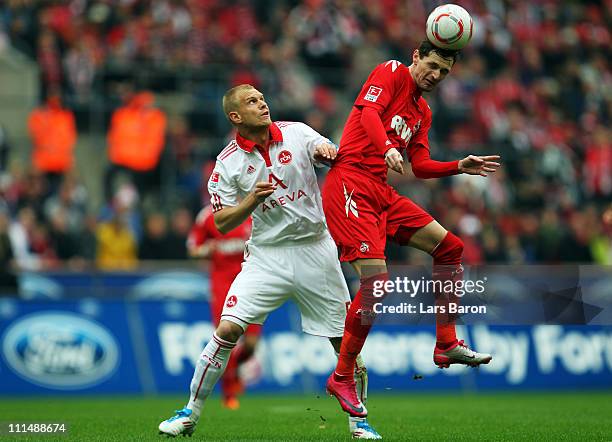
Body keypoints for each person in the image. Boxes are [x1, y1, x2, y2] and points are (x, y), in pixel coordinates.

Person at [158, 84, 380, 439]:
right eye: (251, 102)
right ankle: (189, 413)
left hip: (316, 250)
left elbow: (323, 148)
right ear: (235, 117)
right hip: (267, 256)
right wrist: (249, 201)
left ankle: (359, 424)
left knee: (345, 345)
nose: (262, 104)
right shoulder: (227, 162)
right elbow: (220, 222)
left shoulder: (297, 132)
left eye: (262, 99)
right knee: (228, 330)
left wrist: (325, 149)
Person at [323, 41, 500, 417]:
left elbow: (419, 166)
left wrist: (457, 166)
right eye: (432, 65)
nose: (434, 75)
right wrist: (387, 146)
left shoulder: (423, 111)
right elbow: (369, 113)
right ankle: (342, 376)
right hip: (350, 183)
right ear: (416, 57)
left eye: (444, 72)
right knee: (377, 283)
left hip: (381, 192)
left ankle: (446, 342)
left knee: (450, 247)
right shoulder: (391, 72)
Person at [186, 206, 258, 409]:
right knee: (228, 339)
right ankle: (229, 392)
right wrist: (206, 250)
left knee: (251, 345)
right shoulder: (208, 216)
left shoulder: (252, 211)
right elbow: (193, 248)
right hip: (222, 286)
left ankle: (234, 373)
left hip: (251, 283)